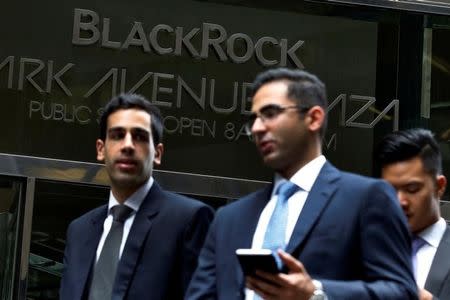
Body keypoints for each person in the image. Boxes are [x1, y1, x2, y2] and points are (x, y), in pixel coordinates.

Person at [186, 68, 417, 300]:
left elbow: (401, 293)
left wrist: (315, 293)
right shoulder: (228, 218)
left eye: (270, 113)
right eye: (253, 118)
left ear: (314, 118)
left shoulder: (367, 198)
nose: (257, 127)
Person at [59, 93, 214, 300]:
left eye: (140, 136)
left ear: (157, 153)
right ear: (101, 149)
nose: (128, 145)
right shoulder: (79, 231)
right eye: (117, 135)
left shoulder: (188, 220)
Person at [375, 128, 450, 300]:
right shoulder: (367, 247)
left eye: (412, 189)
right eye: (390, 190)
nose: (400, 201)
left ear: (439, 186)